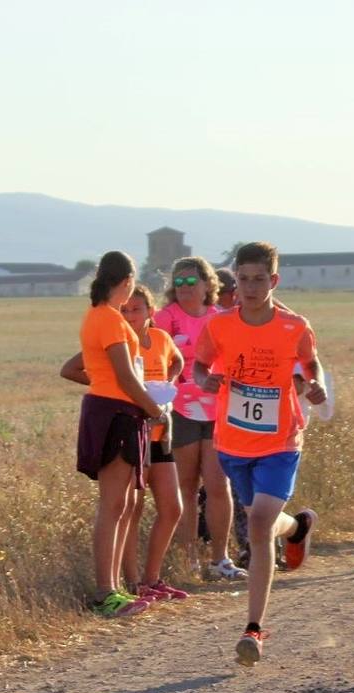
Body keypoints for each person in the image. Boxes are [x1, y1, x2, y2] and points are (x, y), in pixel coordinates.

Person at [192, 242, 325, 665]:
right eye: (243, 279)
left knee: (258, 524)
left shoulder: (294, 326)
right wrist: (205, 381)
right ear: (236, 279)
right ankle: (299, 528)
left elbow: (311, 364)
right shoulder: (220, 326)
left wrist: (313, 383)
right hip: (232, 442)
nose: (250, 288)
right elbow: (199, 365)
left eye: (259, 279)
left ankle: (254, 628)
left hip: (280, 442)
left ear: (274, 281)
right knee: (265, 521)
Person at [63, 285, 187, 604]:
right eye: (126, 309)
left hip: (159, 431)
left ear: (150, 312)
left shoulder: (159, 339)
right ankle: (130, 583)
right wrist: (113, 384)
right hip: (133, 426)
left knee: (171, 507)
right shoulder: (115, 338)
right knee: (129, 506)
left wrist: (165, 387)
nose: (131, 315)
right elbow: (73, 368)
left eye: (138, 309)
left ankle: (149, 579)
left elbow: (178, 361)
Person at [75, 252, 166, 616]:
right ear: (127, 282)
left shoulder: (102, 316)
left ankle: (112, 588)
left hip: (121, 411)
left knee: (124, 503)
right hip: (114, 412)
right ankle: (104, 591)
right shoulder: (109, 319)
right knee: (113, 504)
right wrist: (155, 408)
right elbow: (126, 376)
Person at [153, 257, 245, 581]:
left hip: (220, 410)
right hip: (179, 410)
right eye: (179, 282)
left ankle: (220, 559)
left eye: (192, 282)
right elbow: (154, 359)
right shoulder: (164, 318)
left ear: (208, 285)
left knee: (219, 483)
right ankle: (188, 560)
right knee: (186, 486)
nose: (184, 288)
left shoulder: (222, 318)